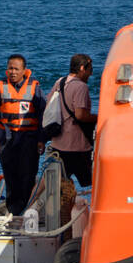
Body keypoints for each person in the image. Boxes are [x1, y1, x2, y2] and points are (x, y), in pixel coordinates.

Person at [0, 54, 46, 216]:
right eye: (10, 68)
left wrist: (41, 139)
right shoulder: (0, 88)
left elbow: (43, 115)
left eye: (16, 69)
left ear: (24, 71)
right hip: (7, 139)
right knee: (10, 176)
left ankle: (25, 210)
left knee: (27, 175)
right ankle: (12, 211)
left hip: (29, 139)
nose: (12, 72)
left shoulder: (34, 89)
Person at [47, 54, 98, 188]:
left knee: (53, 184)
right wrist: (99, 117)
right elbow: (81, 115)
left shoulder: (60, 82)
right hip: (77, 146)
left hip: (58, 144)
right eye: (90, 70)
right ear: (82, 68)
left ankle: (33, 204)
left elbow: (49, 103)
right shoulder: (81, 87)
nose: (91, 74)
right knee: (93, 183)